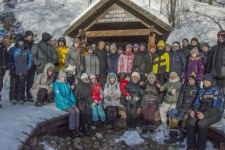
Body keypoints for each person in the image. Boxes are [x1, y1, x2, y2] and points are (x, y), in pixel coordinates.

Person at [187, 74, 224, 150]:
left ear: (211, 81)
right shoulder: (201, 90)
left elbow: (217, 107)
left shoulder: (216, 90)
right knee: (190, 121)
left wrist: (204, 114)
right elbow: (197, 103)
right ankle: (191, 146)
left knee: (202, 123)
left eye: (207, 81)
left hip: (215, 113)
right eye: (203, 81)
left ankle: (201, 147)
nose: (205, 82)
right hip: (202, 111)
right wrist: (194, 110)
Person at [165, 73, 198, 144]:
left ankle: (183, 134)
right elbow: (181, 98)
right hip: (182, 107)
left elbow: (197, 101)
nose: (191, 81)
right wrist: (178, 107)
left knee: (185, 119)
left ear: (195, 80)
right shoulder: (185, 88)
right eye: (190, 80)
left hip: (190, 109)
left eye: (192, 79)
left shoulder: (197, 89)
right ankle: (172, 136)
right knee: (174, 118)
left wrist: (192, 108)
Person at [54, 69, 82, 137]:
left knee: (77, 111)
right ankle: (72, 129)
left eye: (64, 77)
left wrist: (73, 102)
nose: (64, 78)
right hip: (61, 103)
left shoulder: (67, 84)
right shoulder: (56, 84)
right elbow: (59, 96)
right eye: (62, 77)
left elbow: (71, 94)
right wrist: (70, 103)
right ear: (59, 77)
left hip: (69, 102)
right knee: (72, 112)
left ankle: (76, 127)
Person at [8, 34, 33, 104]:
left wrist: (27, 67)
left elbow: (30, 60)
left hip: (23, 71)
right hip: (14, 70)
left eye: (22, 41)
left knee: (21, 85)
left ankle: (20, 98)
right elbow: (9, 58)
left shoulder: (27, 50)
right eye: (19, 41)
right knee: (13, 85)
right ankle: (13, 98)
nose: (21, 42)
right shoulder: (13, 49)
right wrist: (11, 65)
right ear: (17, 41)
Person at [140, 72, 160, 137]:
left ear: (154, 79)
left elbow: (161, 90)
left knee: (150, 111)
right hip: (145, 101)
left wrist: (160, 88)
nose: (151, 79)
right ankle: (144, 128)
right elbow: (143, 87)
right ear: (148, 79)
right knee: (144, 110)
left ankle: (151, 129)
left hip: (154, 101)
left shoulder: (157, 84)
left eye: (152, 78)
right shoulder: (146, 84)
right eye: (150, 78)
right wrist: (141, 85)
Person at [24, 30, 35, 102]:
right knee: (22, 81)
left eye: (31, 36)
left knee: (30, 81)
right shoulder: (23, 43)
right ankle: (21, 96)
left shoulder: (33, 44)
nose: (30, 37)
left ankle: (29, 95)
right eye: (29, 36)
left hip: (32, 65)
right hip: (24, 64)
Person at [0, 29, 8, 108]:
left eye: (3, 37)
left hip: (2, 70)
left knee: (0, 85)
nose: (2, 39)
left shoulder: (4, 47)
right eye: (1, 37)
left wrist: (7, 64)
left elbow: (6, 57)